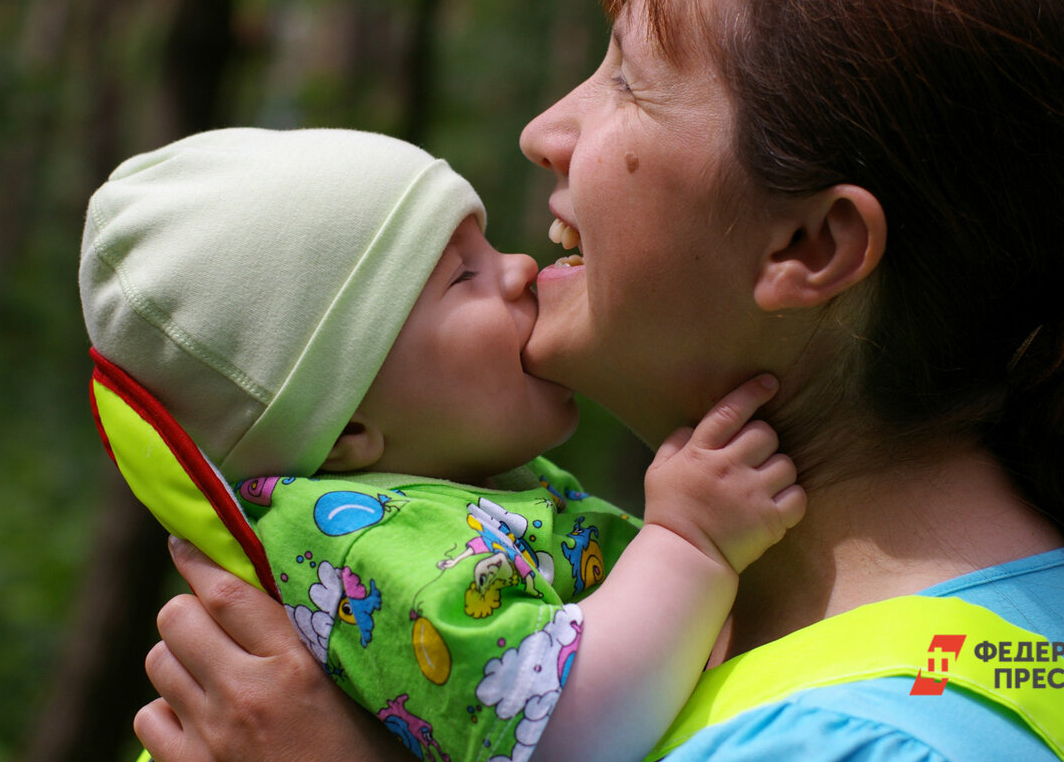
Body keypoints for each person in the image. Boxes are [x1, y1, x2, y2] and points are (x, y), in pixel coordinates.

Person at [132, 0, 1064, 759]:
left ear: (809, 246)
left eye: (630, 80)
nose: (543, 128)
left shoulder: (868, 736)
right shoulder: (811, 632)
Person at [79, 127, 804, 762]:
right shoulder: (380, 548)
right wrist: (689, 541)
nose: (519, 268)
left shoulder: (451, 494)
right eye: (464, 275)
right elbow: (572, 736)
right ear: (349, 433)